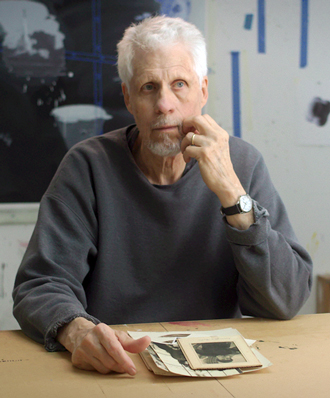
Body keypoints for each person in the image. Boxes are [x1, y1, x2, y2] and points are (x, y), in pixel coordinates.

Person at [13, 16, 313, 376]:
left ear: (203, 91)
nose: (165, 104)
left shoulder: (242, 163)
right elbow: (40, 284)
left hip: (215, 369)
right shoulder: (87, 166)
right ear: (127, 97)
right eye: (148, 87)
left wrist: (233, 194)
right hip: (119, 367)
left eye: (180, 84)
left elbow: (286, 299)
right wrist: (77, 332)